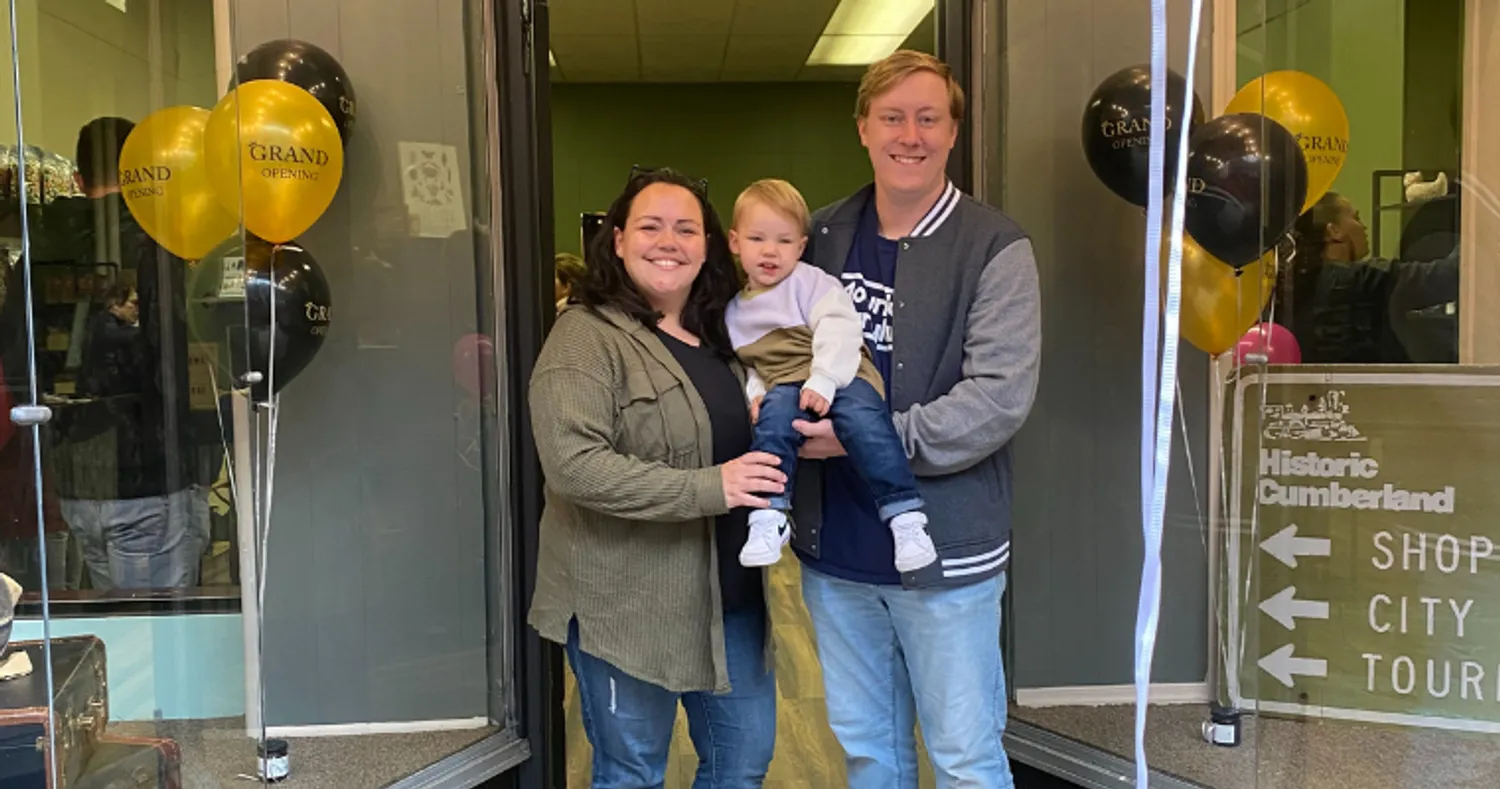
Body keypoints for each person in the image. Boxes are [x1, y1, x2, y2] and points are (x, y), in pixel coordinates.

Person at [789, 50, 1041, 788]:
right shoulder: (822, 236)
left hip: (946, 560)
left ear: (952, 132)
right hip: (837, 552)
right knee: (872, 755)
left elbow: (996, 398)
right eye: (893, 116)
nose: (911, 134)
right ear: (863, 127)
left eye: (929, 117)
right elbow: (777, 347)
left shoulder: (994, 246)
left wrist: (862, 442)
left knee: (964, 758)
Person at [528, 167, 785, 789]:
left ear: (707, 246)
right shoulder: (584, 336)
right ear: (617, 241)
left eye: (686, 228)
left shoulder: (722, 338)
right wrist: (710, 487)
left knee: (741, 766)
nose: (668, 240)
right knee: (632, 773)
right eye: (650, 226)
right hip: (627, 608)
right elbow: (574, 467)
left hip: (731, 602)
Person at [724, 178, 935, 572]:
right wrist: (755, 393)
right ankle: (770, 514)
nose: (771, 251)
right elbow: (750, 363)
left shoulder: (809, 281)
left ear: (801, 247)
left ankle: (904, 514)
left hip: (841, 371)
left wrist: (823, 378)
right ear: (735, 242)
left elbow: (840, 328)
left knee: (867, 426)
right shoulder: (735, 312)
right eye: (757, 239)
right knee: (772, 424)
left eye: (784, 241)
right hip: (786, 381)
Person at [41, 117, 210, 591]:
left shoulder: (41, 250)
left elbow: (20, 359)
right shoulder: (156, 244)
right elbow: (176, 359)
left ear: (77, 180)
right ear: (149, 172)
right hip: (151, 475)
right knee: (159, 636)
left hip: (73, 481)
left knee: (116, 635)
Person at [1278, 191, 1459, 364]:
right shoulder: (1363, 281)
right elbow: (1446, 276)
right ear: (1334, 231)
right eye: (1356, 217)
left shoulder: (1286, 291)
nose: (1363, 226)